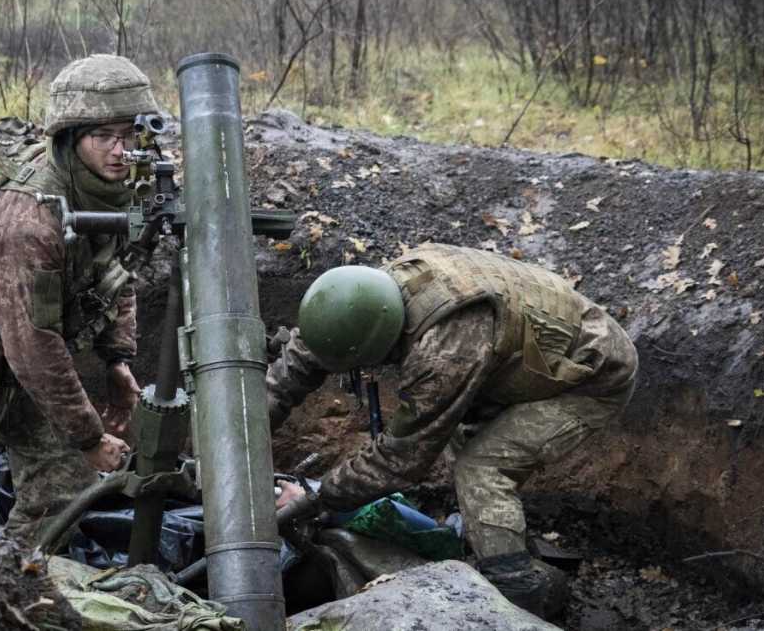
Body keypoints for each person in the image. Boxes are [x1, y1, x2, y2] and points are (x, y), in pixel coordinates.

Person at [267, 243, 638, 619]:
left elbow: (402, 457)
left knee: (482, 467)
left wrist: (315, 499)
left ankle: (517, 593)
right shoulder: (357, 299)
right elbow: (300, 361)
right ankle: (498, 542)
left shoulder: (443, 351)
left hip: (592, 374)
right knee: (465, 440)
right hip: (524, 353)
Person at [0, 54, 161, 545]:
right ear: (70, 138)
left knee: (64, 488)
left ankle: (17, 576)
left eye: (130, 135)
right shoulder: (26, 219)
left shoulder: (126, 188)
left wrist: (117, 360)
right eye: (104, 136)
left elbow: (120, 272)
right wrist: (88, 435)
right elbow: (32, 345)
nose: (121, 150)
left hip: (31, 341)